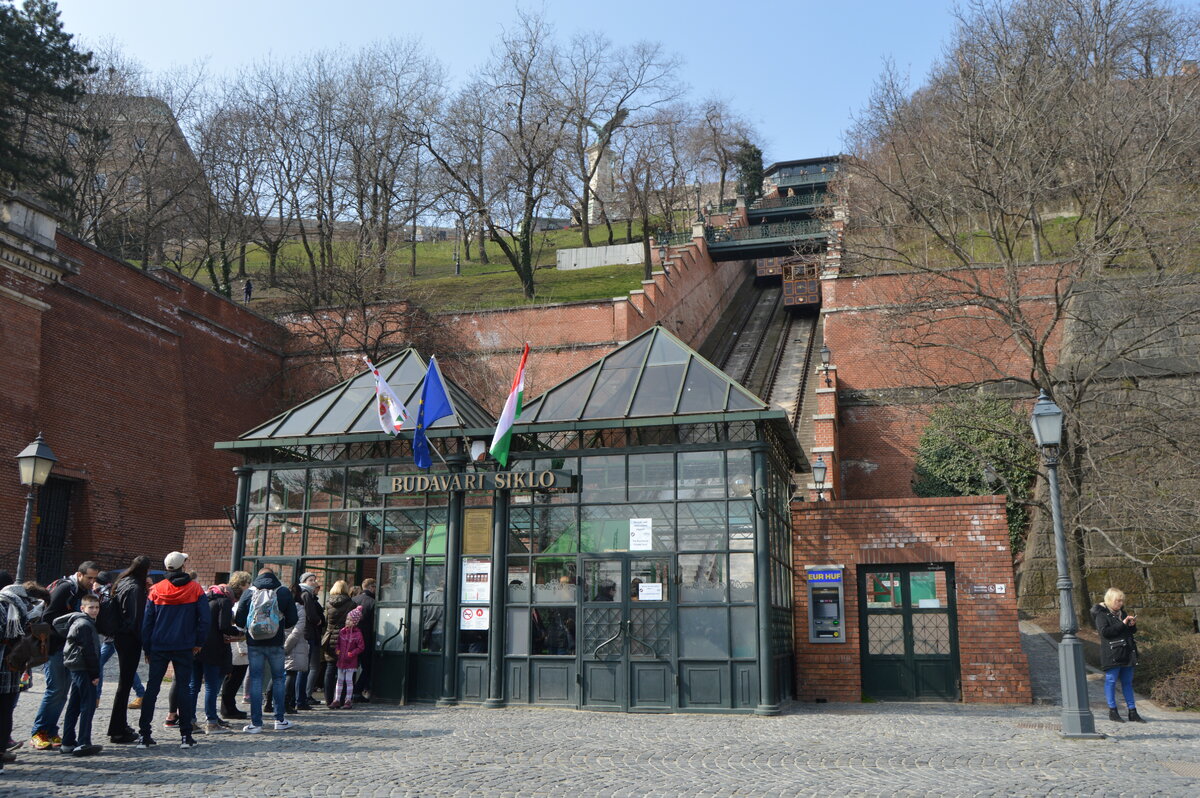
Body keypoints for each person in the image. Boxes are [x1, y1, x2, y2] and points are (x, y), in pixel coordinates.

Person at [138, 552, 208, 750]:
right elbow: (204, 620)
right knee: (184, 689)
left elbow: (147, 622)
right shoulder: (195, 589)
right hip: (184, 645)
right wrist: (199, 642)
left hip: (159, 645)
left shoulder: (156, 589)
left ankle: (144, 735)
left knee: (152, 689)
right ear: (183, 566)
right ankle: (185, 735)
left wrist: (147, 647)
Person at [31, 561, 100, 750]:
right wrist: (69, 633)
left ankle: (51, 730)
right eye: (89, 577)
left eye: (95, 578)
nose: (92, 582)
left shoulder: (82, 592)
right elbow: (48, 618)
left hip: (70, 650)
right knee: (55, 690)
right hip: (56, 648)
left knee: (63, 693)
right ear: (79, 574)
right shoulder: (66, 589)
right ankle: (39, 731)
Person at [233, 567, 298, 733]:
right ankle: (279, 719)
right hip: (276, 642)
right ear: (273, 576)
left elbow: (239, 618)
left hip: (254, 643)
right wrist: (280, 626)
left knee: (255, 680)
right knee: (278, 679)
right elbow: (293, 619)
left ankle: (256, 723)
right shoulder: (282, 591)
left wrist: (248, 628)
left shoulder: (249, 592)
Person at [105, 555, 150, 744]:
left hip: (121, 637)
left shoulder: (122, 581)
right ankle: (117, 729)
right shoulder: (134, 588)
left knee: (124, 684)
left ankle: (119, 726)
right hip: (129, 638)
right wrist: (145, 644)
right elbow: (136, 619)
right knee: (124, 685)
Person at [0, 580, 43, 774]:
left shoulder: (6, 606)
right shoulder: (25, 607)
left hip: (5, 663)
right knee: (6, 710)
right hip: (15, 666)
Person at [55, 593, 103, 757]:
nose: (94, 610)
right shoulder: (84, 624)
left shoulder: (82, 622)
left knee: (74, 704)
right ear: (83, 608)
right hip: (83, 668)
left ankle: (68, 742)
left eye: (97, 607)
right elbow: (88, 652)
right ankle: (83, 742)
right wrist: (95, 674)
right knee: (87, 705)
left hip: (76, 667)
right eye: (91, 607)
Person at [192, 578, 243, 734]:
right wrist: (239, 632)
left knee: (193, 686)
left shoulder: (202, 598)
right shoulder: (224, 602)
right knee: (211, 686)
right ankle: (212, 722)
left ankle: (189, 721)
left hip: (196, 647)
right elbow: (224, 626)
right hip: (213, 649)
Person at [1092, 587, 1145, 723]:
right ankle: (1113, 711)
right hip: (1112, 654)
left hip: (1127, 653)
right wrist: (1123, 624)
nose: (1120, 603)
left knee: (1127, 683)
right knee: (1111, 681)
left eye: (1122, 601)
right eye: (1118, 601)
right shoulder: (1102, 615)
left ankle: (1132, 712)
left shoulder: (1122, 613)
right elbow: (1105, 633)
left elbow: (1129, 632)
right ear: (1110, 600)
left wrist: (1132, 625)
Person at [218, 571, 252, 721]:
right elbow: (237, 625)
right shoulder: (236, 602)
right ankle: (228, 708)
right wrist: (242, 648)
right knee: (233, 678)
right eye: (248, 584)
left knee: (234, 678)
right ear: (243, 584)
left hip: (237, 644)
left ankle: (229, 706)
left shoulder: (235, 600)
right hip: (237, 645)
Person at [320, 581, 354, 706]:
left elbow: (325, 622)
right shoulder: (351, 603)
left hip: (330, 639)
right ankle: (343, 698)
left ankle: (329, 699)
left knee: (330, 668)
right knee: (345, 669)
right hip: (345, 639)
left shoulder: (328, 603)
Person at [297, 572, 324, 706]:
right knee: (305, 668)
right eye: (310, 580)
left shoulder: (307, 594)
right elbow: (311, 615)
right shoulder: (306, 595)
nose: (313, 582)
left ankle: (302, 697)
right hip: (308, 633)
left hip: (308, 633)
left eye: (314, 580)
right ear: (304, 581)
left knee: (306, 667)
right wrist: (318, 621)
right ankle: (301, 698)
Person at [330, 606, 365, 709]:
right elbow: (338, 643)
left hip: (350, 661)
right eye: (347, 619)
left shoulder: (357, 634)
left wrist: (353, 653)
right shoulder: (342, 631)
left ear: (355, 622)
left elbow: (361, 647)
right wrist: (337, 650)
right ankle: (336, 699)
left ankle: (348, 700)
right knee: (339, 680)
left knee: (349, 681)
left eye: (350, 620)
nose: (347, 621)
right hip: (341, 659)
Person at [283, 583, 309, 714]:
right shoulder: (299, 608)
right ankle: (285, 702)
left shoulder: (282, 606)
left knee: (279, 673)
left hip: (282, 642)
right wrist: (287, 646)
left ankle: (269, 700)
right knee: (290, 673)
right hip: (293, 644)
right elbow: (298, 630)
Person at [352, 578, 376, 702]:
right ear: (371, 587)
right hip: (366, 638)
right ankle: (358, 689)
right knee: (367, 667)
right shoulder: (372, 602)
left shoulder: (354, 600)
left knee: (351, 667)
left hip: (351, 638)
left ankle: (349, 692)